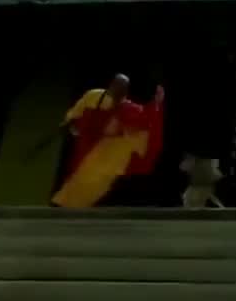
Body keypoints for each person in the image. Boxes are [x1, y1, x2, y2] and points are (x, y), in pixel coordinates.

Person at [51, 75, 165, 208]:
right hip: (86, 151)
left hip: (105, 160)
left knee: (90, 187)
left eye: (121, 89)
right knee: (75, 182)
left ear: (126, 92)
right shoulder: (93, 97)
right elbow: (75, 115)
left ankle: (73, 209)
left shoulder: (129, 109)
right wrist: (71, 122)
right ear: (111, 86)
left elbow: (145, 123)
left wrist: (156, 105)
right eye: (116, 86)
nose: (117, 91)